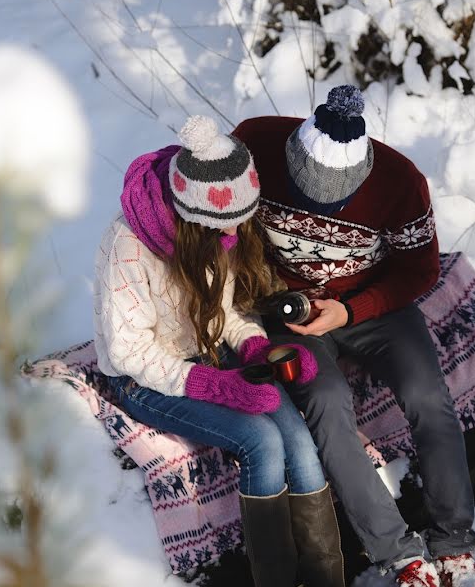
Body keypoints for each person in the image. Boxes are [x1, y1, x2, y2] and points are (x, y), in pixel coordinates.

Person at [232, 85, 475, 587]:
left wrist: (349, 311)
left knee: (427, 395)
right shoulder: (255, 142)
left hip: (370, 306)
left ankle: (453, 538)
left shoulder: (399, 181)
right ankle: (397, 553)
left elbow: (420, 269)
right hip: (290, 312)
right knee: (325, 400)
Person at [93, 115, 346, 587]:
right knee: (262, 442)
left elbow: (226, 310)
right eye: (226, 227)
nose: (233, 237)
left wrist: (254, 349)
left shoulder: (216, 228)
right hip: (145, 378)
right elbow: (128, 350)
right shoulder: (128, 244)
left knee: (300, 446)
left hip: (210, 358)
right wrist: (213, 384)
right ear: (193, 216)